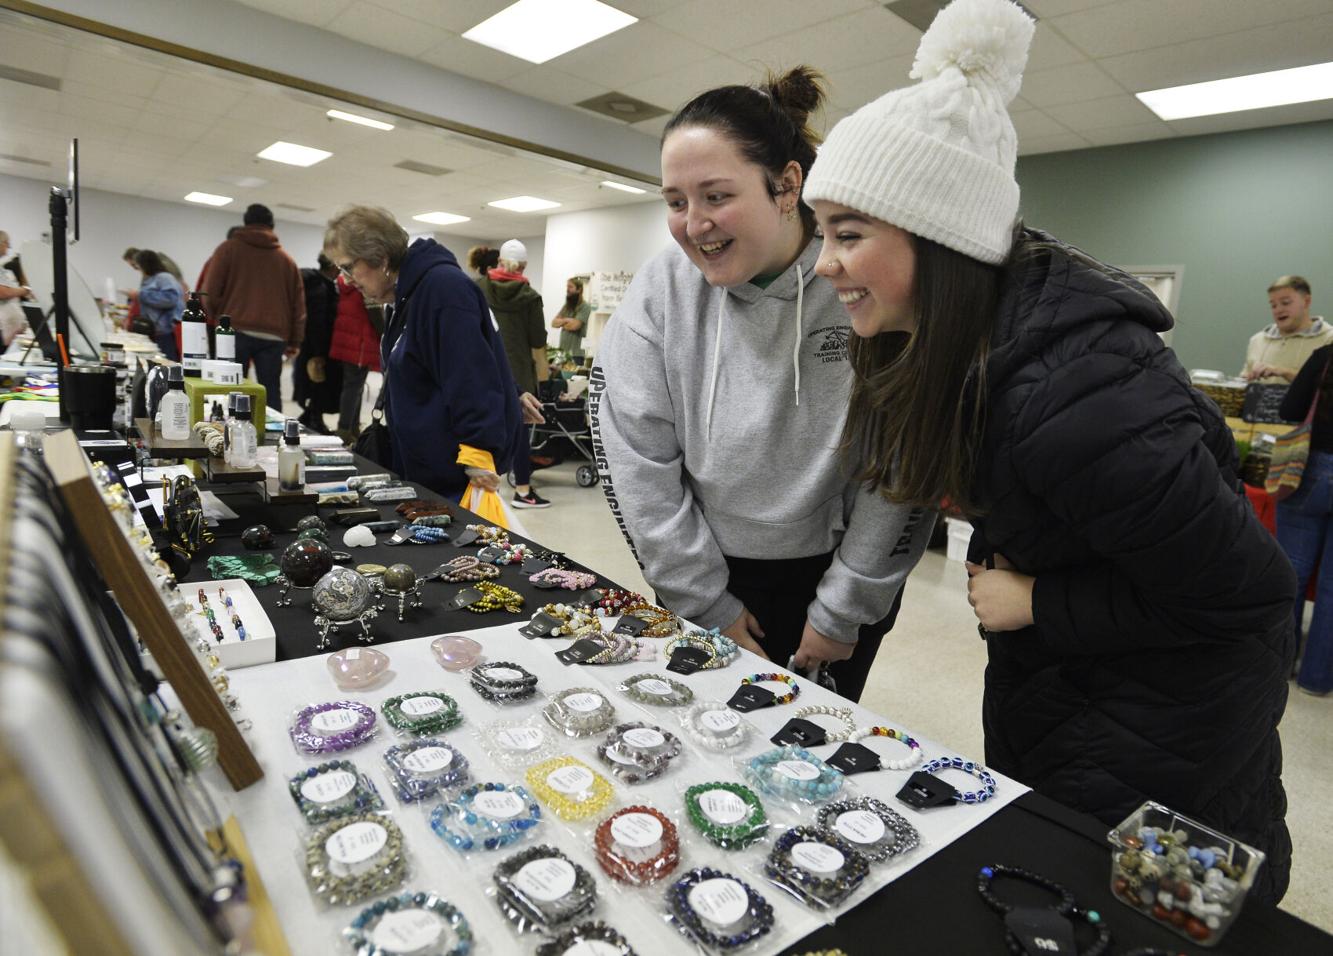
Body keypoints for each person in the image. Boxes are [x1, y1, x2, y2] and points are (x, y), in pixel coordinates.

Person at [803, 0, 1295, 902]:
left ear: (941, 237)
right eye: (821, 233)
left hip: (1167, 724)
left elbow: (1248, 596)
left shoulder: (1077, 399)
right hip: (1079, 697)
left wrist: (1040, 602)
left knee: (1142, 911)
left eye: (848, 234)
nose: (823, 264)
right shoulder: (973, 354)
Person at [590, 67, 934, 703]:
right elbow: (638, 463)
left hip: (840, 570)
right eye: (674, 201)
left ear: (786, 185)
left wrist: (845, 609)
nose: (694, 224)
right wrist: (703, 600)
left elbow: (901, 464)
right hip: (705, 568)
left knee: (813, 746)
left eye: (716, 196)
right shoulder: (660, 293)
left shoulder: (858, 282)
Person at [323, 206, 521, 500]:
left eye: (348, 267)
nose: (347, 279)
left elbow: (470, 374)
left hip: (453, 475)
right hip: (424, 468)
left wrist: (479, 451)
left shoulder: (443, 290)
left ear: (381, 257)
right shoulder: (405, 297)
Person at [201, 204, 306, 409]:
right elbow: (299, 306)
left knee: (230, 388)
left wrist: (216, 319)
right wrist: (296, 340)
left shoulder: (227, 249)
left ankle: (226, 436)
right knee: (270, 391)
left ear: (245, 222)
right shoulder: (287, 260)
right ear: (272, 226)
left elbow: (210, 290)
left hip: (234, 330)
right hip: (274, 336)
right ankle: (274, 437)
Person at [475, 239, 552, 510]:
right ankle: (522, 490)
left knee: (480, 427)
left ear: (498, 262)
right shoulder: (530, 297)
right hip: (518, 370)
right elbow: (537, 339)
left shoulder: (479, 287)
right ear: (525, 265)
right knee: (519, 434)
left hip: (484, 367)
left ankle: (481, 491)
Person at [1276, 345, 1333, 697]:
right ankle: (1318, 679)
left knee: (1290, 574)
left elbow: (1291, 408)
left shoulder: (1325, 356)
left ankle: (1279, 664)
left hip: (1310, 470)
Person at [1242, 276, 1331, 384]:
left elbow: (1326, 389)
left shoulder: (1328, 340)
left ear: (1306, 301)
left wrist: (1284, 372)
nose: (1278, 310)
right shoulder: (1257, 341)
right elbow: (1244, 384)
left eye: (1286, 303)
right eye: (1273, 305)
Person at [292, 254, 343, 433]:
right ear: (333, 266)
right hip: (318, 346)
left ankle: (311, 416)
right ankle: (314, 418)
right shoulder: (320, 287)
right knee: (318, 384)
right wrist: (320, 351)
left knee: (314, 383)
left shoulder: (314, 283)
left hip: (310, 344)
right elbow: (319, 321)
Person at [327, 273, 381, 442]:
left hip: (347, 341)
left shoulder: (343, 282)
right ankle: (344, 430)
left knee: (353, 387)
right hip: (360, 343)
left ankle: (352, 428)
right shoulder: (364, 284)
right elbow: (377, 318)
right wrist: (386, 333)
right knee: (353, 388)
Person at [134, 249, 184, 360]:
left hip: (165, 331)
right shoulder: (153, 279)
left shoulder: (164, 277)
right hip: (156, 331)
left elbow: (170, 298)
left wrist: (140, 295)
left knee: (166, 363)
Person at [0, 230, 33, 347]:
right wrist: (24, 290)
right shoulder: (10, 266)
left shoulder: (3, 269)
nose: (9, 246)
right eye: (6, 243)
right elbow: (3, 292)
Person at [552, 276, 592, 357]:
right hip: (562, 353)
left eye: (570, 287)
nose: (567, 290)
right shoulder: (567, 306)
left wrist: (562, 322)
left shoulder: (585, 307)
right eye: (567, 287)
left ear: (579, 289)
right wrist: (567, 320)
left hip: (576, 355)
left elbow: (574, 326)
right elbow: (553, 323)